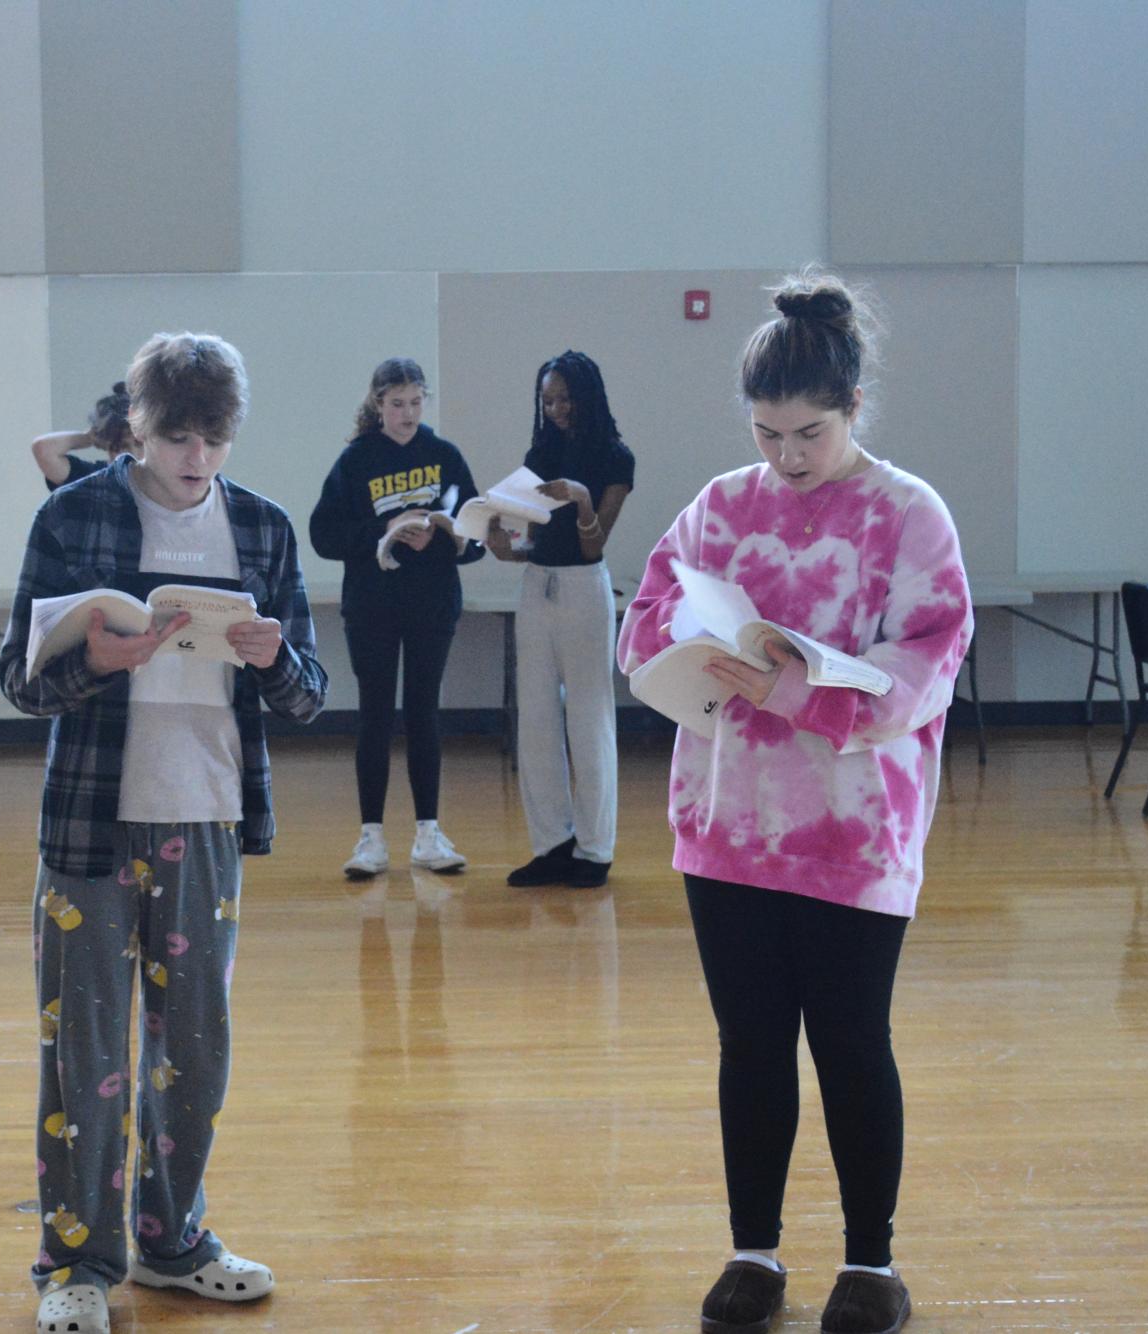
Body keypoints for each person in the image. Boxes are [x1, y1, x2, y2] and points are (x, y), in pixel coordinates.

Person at [615, 272, 971, 1334]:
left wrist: (797, 685)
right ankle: (754, 1250)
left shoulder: (909, 513)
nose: (787, 456)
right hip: (727, 827)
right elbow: (645, 622)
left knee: (854, 1039)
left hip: (856, 830)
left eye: (809, 431)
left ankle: (872, 1261)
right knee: (751, 1042)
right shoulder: (718, 507)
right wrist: (692, 656)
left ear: (854, 405)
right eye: (768, 432)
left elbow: (927, 660)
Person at [0, 332, 327, 1334]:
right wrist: (95, 660)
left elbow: (311, 693)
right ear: (134, 426)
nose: (194, 457)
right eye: (176, 434)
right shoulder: (75, 513)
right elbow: (20, 679)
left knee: (196, 1045)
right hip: (91, 822)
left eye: (212, 437)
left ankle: (173, 1237)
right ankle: (78, 1260)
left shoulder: (264, 529)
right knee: (84, 1048)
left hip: (210, 814)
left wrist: (273, 660)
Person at [310, 358, 484, 878]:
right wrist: (383, 528)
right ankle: (371, 838)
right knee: (376, 715)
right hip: (372, 605)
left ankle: (429, 834)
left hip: (432, 602)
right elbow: (323, 535)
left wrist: (443, 535)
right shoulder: (356, 460)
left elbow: (475, 539)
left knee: (424, 713)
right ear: (377, 405)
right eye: (396, 404)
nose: (407, 414)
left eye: (415, 402)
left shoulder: (444, 456)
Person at [484, 350, 634, 889]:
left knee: (589, 722)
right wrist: (504, 545)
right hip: (537, 587)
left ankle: (595, 850)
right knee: (538, 721)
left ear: (586, 396)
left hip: (583, 590)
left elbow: (593, 546)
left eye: (565, 398)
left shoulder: (616, 458)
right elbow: (534, 540)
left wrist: (583, 499)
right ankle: (552, 844)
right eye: (547, 400)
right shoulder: (541, 451)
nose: (556, 409)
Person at [32, 382, 140, 491]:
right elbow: (44, 449)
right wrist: (91, 436)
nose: (132, 454)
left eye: (138, 444)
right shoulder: (91, 480)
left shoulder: (156, 481)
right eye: (119, 446)